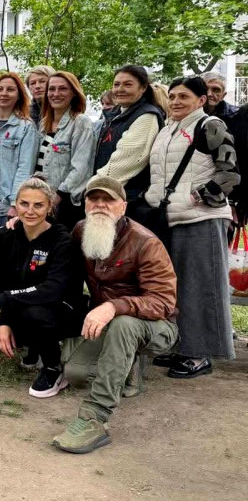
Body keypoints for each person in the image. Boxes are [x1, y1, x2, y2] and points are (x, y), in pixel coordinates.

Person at [52, 176, 178, 454]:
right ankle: (129, 368)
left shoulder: (146, 243)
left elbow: (163, 302)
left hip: (156, 326)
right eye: (93, 198)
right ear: (85, 204)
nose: (100, 204)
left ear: (123, 206)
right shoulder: (81, 230)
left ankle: (94, 418)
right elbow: (56, 255)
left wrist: (113, 306)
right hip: (109, 322)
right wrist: (20, 226)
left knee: (124, 325)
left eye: (108, 200)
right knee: (76, 374)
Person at [144, 77, 239, 378]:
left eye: (183, 96)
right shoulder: (167, 129)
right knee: (179, 286)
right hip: (172, 218)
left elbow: (230, 172)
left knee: (202, 286)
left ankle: (200, 354)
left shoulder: (210, 125)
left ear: (201, 100)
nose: (175, 101)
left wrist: (199, 196)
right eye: (172, 96)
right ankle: (183, 346)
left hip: (201, 217)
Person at [0, 177, 85, 397]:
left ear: (49, 207)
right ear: (16, 204)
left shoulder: (62, 239)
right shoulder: (5, 234)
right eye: (24, 204)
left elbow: (53, 289)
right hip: (21, 304)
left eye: (38, 205)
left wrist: (4, 300)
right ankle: (34, 346)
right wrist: (3, 322)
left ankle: (53, 368)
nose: (30, 211)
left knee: (34, 313)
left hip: (61, 308)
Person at [93, 65, 164, 206]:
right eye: (116, 84)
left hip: (123, 201)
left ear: (143, 88)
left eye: (128, 84)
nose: (120, 89)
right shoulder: (114, 115)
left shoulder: (146, 117)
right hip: (105, 194)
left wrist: (91, 188)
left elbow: (121, 165)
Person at [0, 72, 39, 247]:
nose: (4, 93)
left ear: (19, 95)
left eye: (10, 90)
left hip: (6, 201)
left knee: (9, 248)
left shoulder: (26, 127)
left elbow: (25, 168)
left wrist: (15, 203)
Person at [35, 71, 96, 231]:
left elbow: (81, 168)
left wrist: (58, 196)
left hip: (65, 204)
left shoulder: (81, 123)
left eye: (62, 89)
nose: (56, 94)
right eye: (51, 89)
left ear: (74, 93)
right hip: (42, 199)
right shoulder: (44, 123)